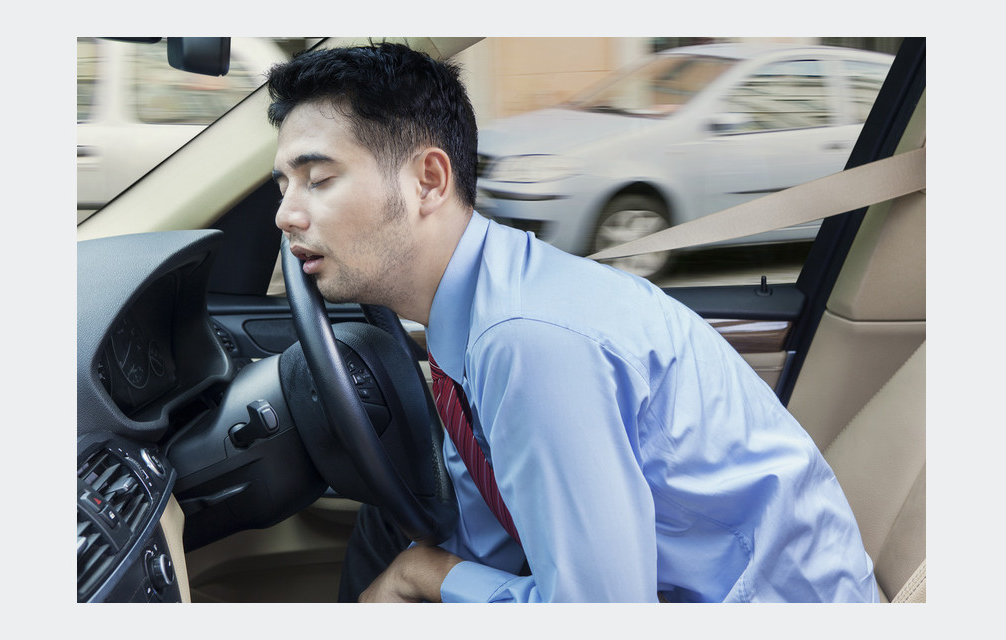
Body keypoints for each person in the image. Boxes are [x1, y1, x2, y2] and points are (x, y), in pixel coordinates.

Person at [265, 41, 879, 603]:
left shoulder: (528, 339)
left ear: (429, 181)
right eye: (284, 184)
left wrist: (423, 575)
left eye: (318, 179)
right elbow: (488, 509)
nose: (286, 214)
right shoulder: (478, 305)